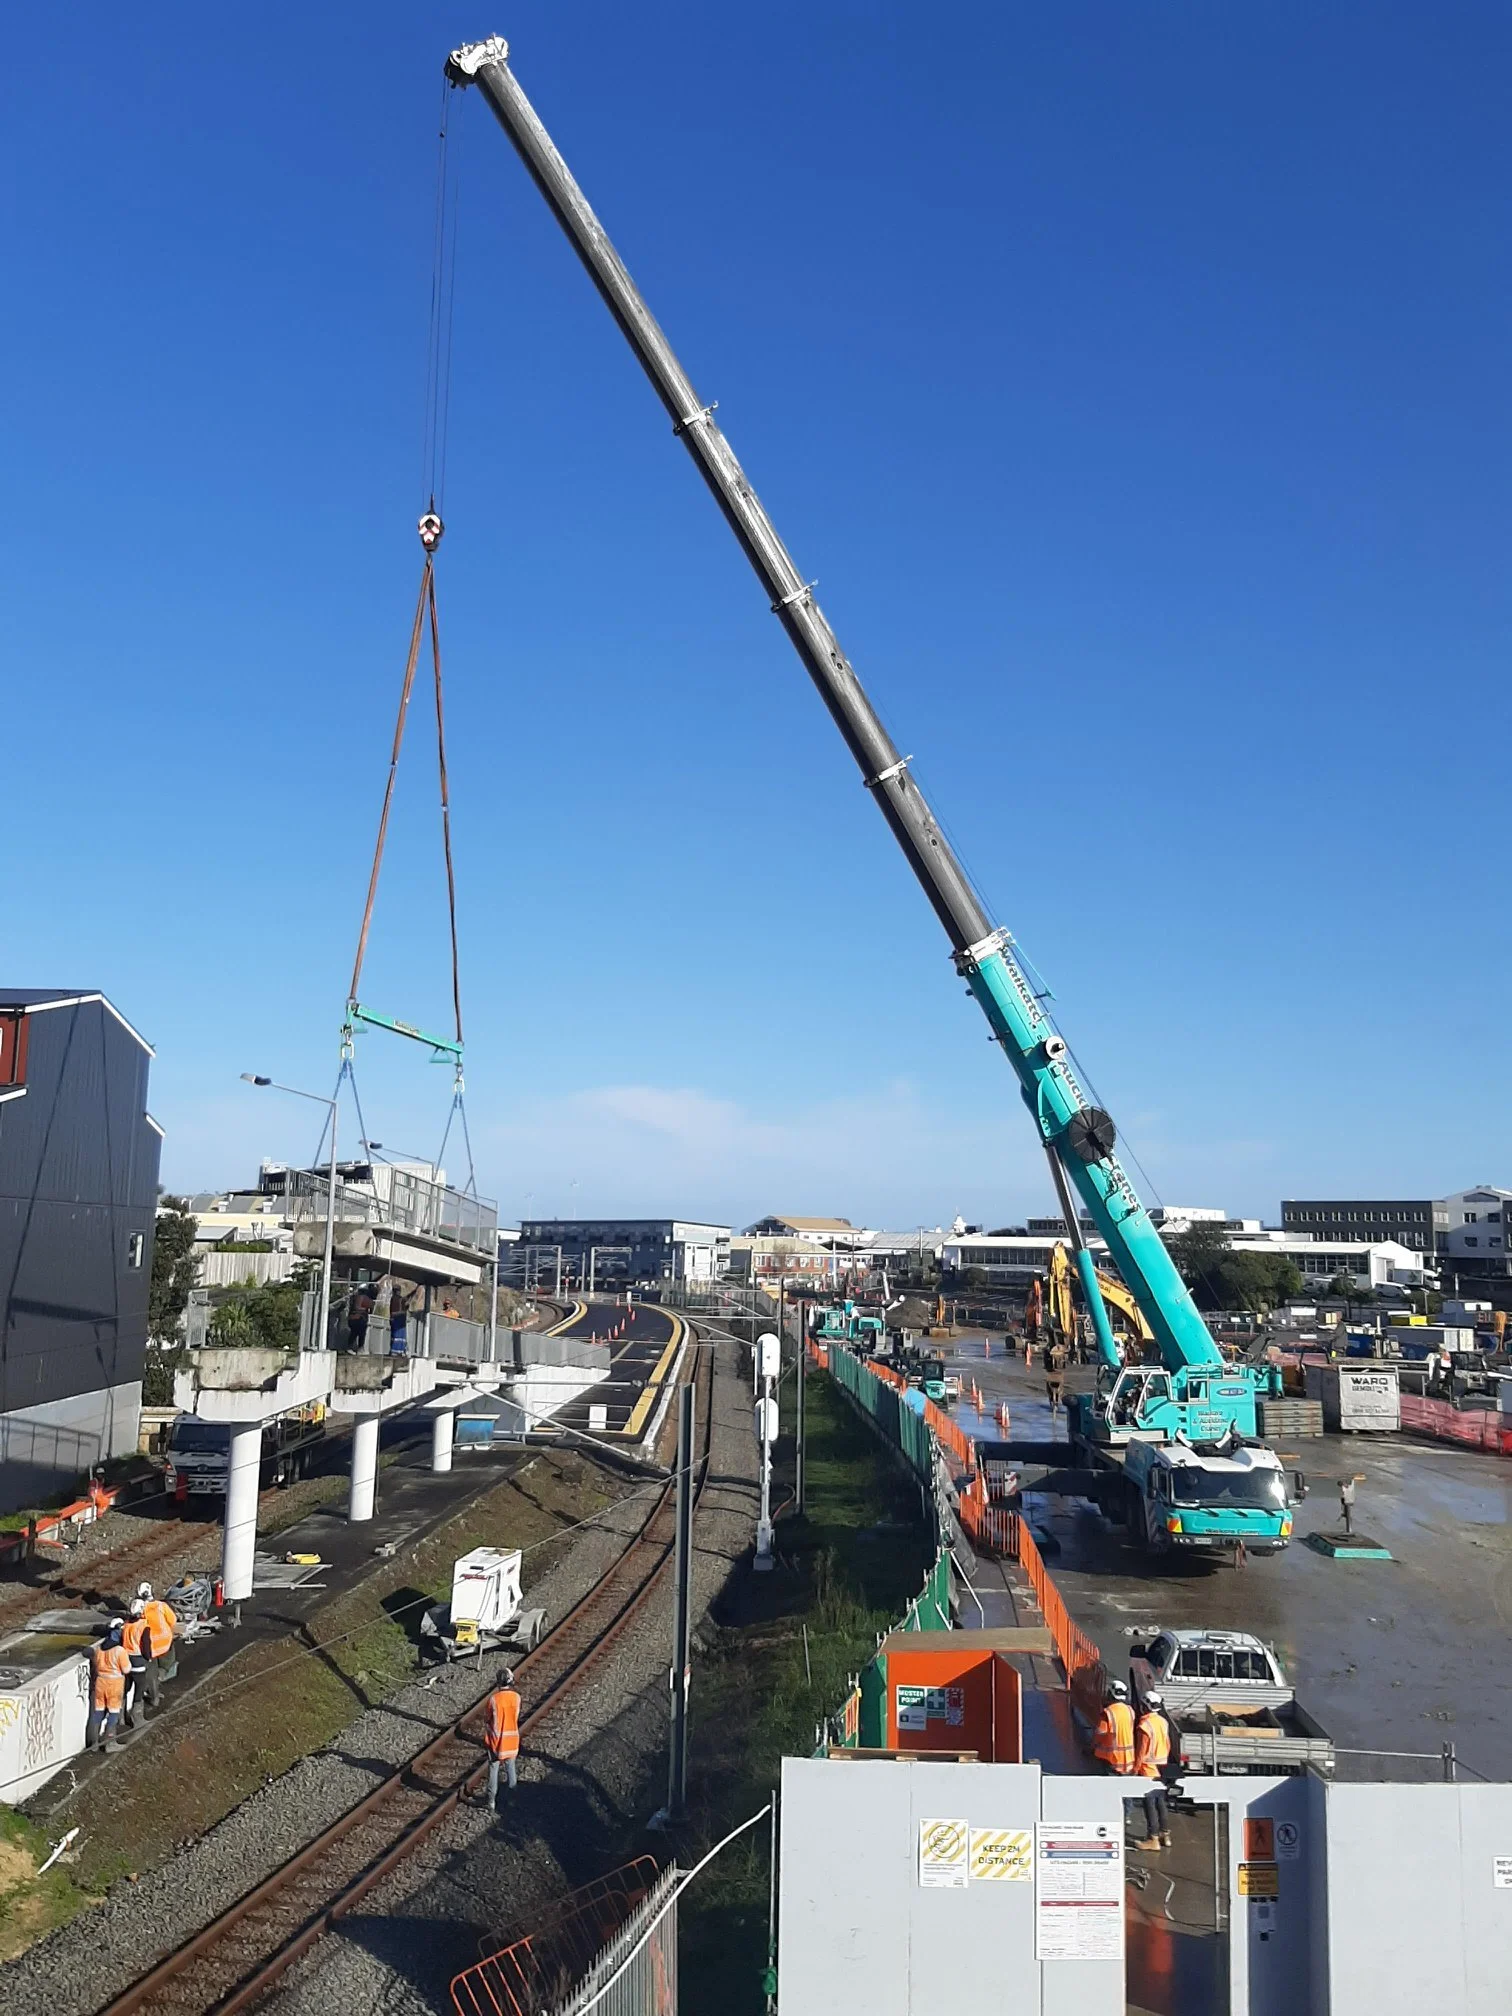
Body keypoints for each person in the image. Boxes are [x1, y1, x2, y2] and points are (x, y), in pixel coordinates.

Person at [1133, 1690, 1174, 1848]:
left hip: (1148, 1768)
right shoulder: (1163, 1722)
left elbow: (1141, 1750)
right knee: (1161, 1801)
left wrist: (1135, 1769)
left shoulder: (1144, 1725)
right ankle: (1165, 1835)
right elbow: (1168, 1744)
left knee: (1149, 1803)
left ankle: (1153, 1838)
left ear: (1145, 1706)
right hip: (1162, 1766)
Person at [88, 1626, 132, 1753]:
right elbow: (126, 1669)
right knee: (113, 1714)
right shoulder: (119, 1651)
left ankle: (94, 1743)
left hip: (100, 1683)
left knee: (98, 1713)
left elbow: (95, 1666)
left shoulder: (99, 1649)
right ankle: (109, 1743)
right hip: (115, 1684)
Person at [483, 1667, 522, 1810]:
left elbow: (487, 1718)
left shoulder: (493, 1700)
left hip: (496, 1741)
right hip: (512, 1740)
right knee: (511, 1769)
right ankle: (513, 1800)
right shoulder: (517, 1698)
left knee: (493, 1769)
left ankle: (491, 1801)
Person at [1093, 1678, 1135, 1776]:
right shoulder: (1130, 1711)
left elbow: (1100, 1735)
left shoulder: (1107, 1713)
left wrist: (1091, 1747)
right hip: (1127, 1760)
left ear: (1111, 1694)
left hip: (1110, 1760)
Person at [120, 1600, 153, 1725]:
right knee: (139, 1688)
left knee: (126, 1687)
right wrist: (148, 1657)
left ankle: (121, 1717)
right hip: (138, 1661)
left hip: (126, 1660)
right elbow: (146, 1644)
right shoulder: (143, 1626)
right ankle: (137, 1717)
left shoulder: (126, 1625)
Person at [140, 1583, 179, 1686]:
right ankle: (164, 1672)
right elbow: (173, 1621)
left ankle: (154, 1677)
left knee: (152, 1665)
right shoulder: (161, 1606)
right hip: (165, 1642)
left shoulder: (141, 1611)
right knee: (167, 1662)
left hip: (151, 1646)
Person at [346, 1283, 375, 1352]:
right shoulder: (366, 1299)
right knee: (361, 1334)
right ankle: (360, 1348)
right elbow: (370, 1311)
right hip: (360, 1318)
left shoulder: (354, 1297)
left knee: (354, 1332)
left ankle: (349, 1347)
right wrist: (365, 1309)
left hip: (351, 1318)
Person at [388, 1281, 412, 1356]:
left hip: (394, 1319)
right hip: (399, 1320)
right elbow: (406, 1299)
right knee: (399, 1336)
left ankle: (394, 1350)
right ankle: (397, 1350)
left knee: (394, 1335)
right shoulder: (399, 1299)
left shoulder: (393, 1298)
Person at [1045, 1339, 1068, 1411]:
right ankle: (1057, 1400)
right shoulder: (1063, 1353)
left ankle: (1052, 1400)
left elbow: (1047, 1365)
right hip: (1059, 1376)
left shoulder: (1051, 1352)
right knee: (1060, 1387)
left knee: (1049, 1387)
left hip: (1051, 1376)